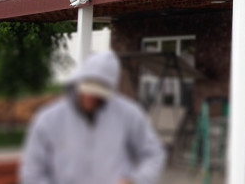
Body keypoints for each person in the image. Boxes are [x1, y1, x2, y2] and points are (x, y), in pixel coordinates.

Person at [20, 50, 166, 184]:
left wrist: (135, 180)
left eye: (99, 92)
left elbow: (153, 154)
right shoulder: (48, 119)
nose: (91, 96)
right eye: (88, 89)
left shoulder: (130, 114)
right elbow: (32, 172)